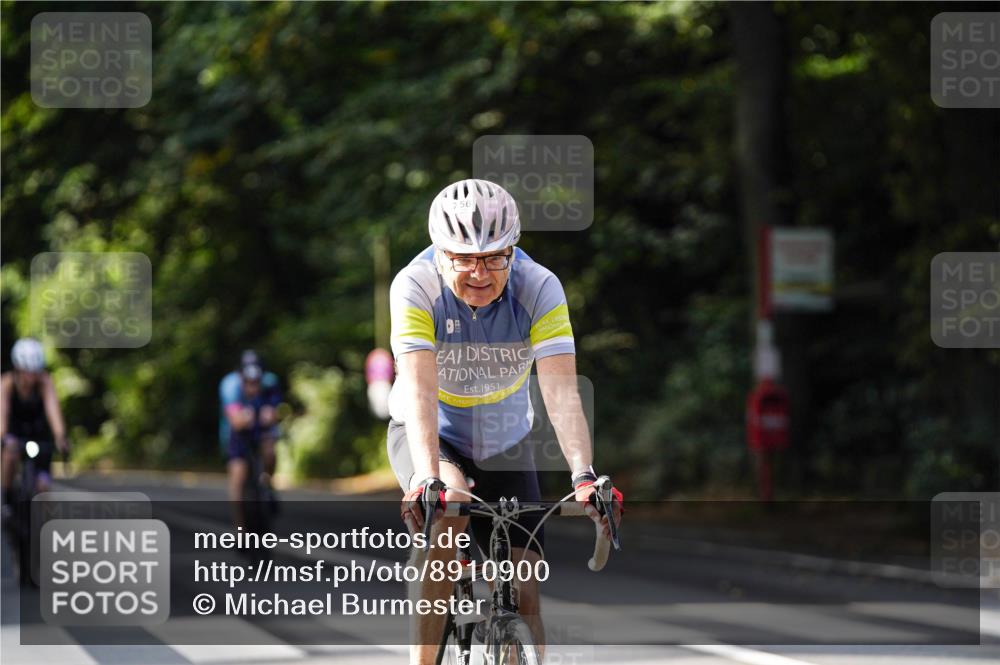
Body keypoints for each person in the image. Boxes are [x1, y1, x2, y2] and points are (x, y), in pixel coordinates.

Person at [387, 179, 623, 664]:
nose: (479, 272)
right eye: (462, 258)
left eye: (495, 257)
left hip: (507, 441)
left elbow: (560, 390)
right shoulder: (415, 285)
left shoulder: (539, 287)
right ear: (439, 252)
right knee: (449, 515)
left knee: (525, 588)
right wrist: (429, 479)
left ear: (513, 250)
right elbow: (420, 389)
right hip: (432, 433)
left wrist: (582, 473)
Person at [1, 338, 69, 507]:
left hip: (38, 433)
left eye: (35, 371)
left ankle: (42, 524)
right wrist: (3, 436)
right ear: (18, 367)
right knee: (10, 455)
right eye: (27, 371)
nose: (31, 376)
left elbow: (53, 411)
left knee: (43, 486)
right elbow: (2, 413)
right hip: (14, 431)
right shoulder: (7, 383)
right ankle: (7, 498)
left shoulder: (45, 382)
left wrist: (60, 437)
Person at [218, 350, 281, 526]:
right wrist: (243, 418)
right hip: (235, 435)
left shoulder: (270, 383)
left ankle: (267, 485)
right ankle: (240, 528)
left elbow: (275, 410)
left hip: (261, 431)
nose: (253, 387)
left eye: (256, 382)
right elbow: (235, 420)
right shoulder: (230, 386)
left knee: (270, 451)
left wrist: (271, 415)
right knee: (237, 475)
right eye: (248, 382)